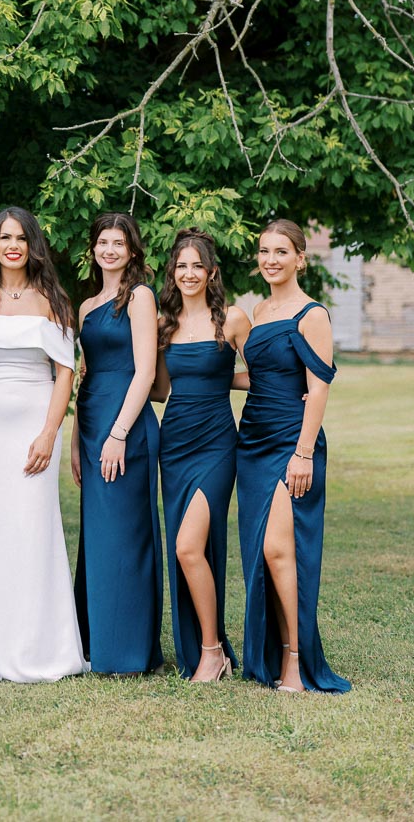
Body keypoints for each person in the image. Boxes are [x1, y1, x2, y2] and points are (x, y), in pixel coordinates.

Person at [0, 207, 87, 682]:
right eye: (5, 237)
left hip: (35, 424)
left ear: (33, 245)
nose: (13, 246)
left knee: (33, 527)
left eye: (21, 238)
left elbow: (65, 371)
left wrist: (50, 432)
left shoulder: (53, 298)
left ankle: (39, 644)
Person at [236, 219, 351, 693]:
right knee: (262, 554)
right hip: (252, 442)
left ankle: (296, 661)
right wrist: (207, 376)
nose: (271, 260)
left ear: (300, 259)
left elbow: (317, 388)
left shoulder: (312, 314)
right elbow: (258, 376)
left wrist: (303, 454)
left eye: (281, 251)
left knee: (280, 549)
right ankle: (278, 652)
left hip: (292, 442)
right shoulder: (259, 310)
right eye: (265, 251)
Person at [156, 229, 250, 681]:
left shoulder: (232, 320)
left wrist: (218, 378)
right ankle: (208, 649)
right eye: (182, 266)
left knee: (188, 546)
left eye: (197, 265)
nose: (189, 273)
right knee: (186, 549)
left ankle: (212, 653)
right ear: (172, 273)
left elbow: (261, 374)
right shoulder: (163, 324)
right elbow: (158, 389)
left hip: (216, 443)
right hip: (173, 443)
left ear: (212, 272)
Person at [71, 212, 163, 675]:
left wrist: (118, 433)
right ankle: (96, 642)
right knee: (98, 537)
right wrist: (75, 440)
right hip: (91, 425)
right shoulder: (86, 306)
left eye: (118, 243)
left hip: (126, 426)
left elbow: (145, 372)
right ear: (93, 249)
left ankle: (128, 650)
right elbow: (83, 376)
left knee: (127, 535)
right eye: (103, 242)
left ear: (131, 251)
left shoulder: (140, 297)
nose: (109, 250)